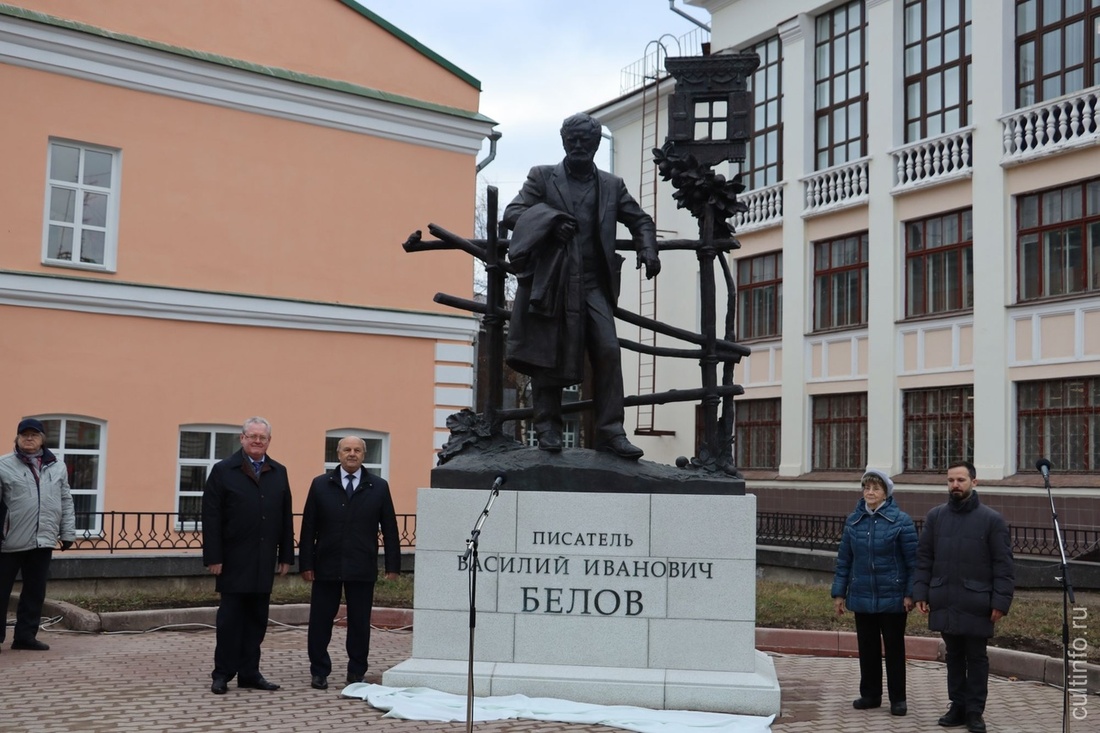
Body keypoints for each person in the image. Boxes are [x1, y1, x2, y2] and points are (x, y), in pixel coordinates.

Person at [502, 112, 661, 459]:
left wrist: (647, 248)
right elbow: (513, 212)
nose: (577, 146)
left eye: (584, 141)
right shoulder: (542, 177)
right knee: (547, 353)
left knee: (607, 350)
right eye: (572, 140)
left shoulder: (611, 185)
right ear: (563, 142)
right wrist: (550, 220)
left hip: (592, 284)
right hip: (554, 280)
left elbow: (640, 220)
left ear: (594, 144)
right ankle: (548, 428)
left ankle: (610, 432)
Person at [913, 461, 1014, 733]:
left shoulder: (992, 520)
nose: (955, 485)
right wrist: (921, 592)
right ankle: (957, 706)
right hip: (945, 598)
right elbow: (924, 559)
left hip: (978, 602)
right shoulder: (936, 517)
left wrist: (1000, 602)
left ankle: (974, 711)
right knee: (953, 655)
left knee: (977, 657)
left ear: (974, 482)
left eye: (961, 480)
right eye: (950, 481)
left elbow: (1003, 566)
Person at [299, 436, 400, 690]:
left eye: (357, 450)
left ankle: (356, 671)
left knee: (359, 622)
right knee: (321, 620)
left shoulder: (378, 486)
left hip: (361, 565)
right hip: (326, 564)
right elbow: (308, 527)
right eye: (347, 450)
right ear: (338, 453)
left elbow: (389, 527)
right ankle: (319, 671)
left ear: (364, 455)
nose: (352, 454)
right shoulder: (321, 485)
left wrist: (392, 565)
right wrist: (306, 563)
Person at [202, 417, 294, 695]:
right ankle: (222, 674)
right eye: (252, 436)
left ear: (268, 441)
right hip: (232, 561)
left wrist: (286, 556)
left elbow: (285, 517)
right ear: (242, 438)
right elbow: (211, 517)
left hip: (264, 560)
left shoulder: (278, 471)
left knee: (256, 620)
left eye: (262, 437)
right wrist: (213, 557)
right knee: (229, 621)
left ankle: (250, 673)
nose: (257, 441)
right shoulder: (223, 470)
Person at [831, 468, 918, 717]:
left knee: (894, 649)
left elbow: (914, 562)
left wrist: (910, 593)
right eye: (866, 488)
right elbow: (844, 560)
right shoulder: (854, 521)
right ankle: (870, 695)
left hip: (893, 596)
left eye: (876, 488)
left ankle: (898, 699)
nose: (870, 492)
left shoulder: (901, 521)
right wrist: (840, 593)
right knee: (867, 648)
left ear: (885, 493)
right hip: (862, 594)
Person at [0, 419, 75, 652]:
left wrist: (68, 532)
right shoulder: (3, 465)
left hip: (43, 540)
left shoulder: (57, 466)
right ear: (17, 438)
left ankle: (25, 637)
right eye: (24, 435)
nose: (29, 438)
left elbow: (65, 500)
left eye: (34, 434)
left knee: (35, 592)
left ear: (42, 438)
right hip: (8, 542)